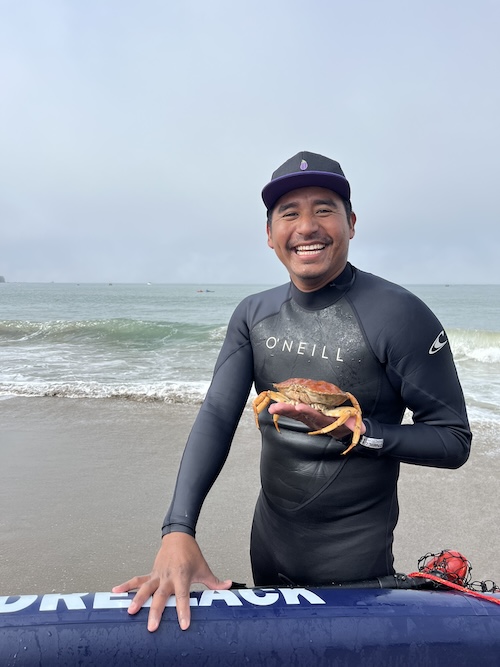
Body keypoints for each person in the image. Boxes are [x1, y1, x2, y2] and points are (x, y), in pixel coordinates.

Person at [113, 151, 472, 631]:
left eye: (324, 209)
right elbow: (218, 415)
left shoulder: (400, 315)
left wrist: (360, 431)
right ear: (269, 234)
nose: (307, 226)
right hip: (269, 550)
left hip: (356, 570)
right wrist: (177, 531)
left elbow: (453, 439)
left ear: (351, 223)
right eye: (289, 213)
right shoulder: (253, 315)